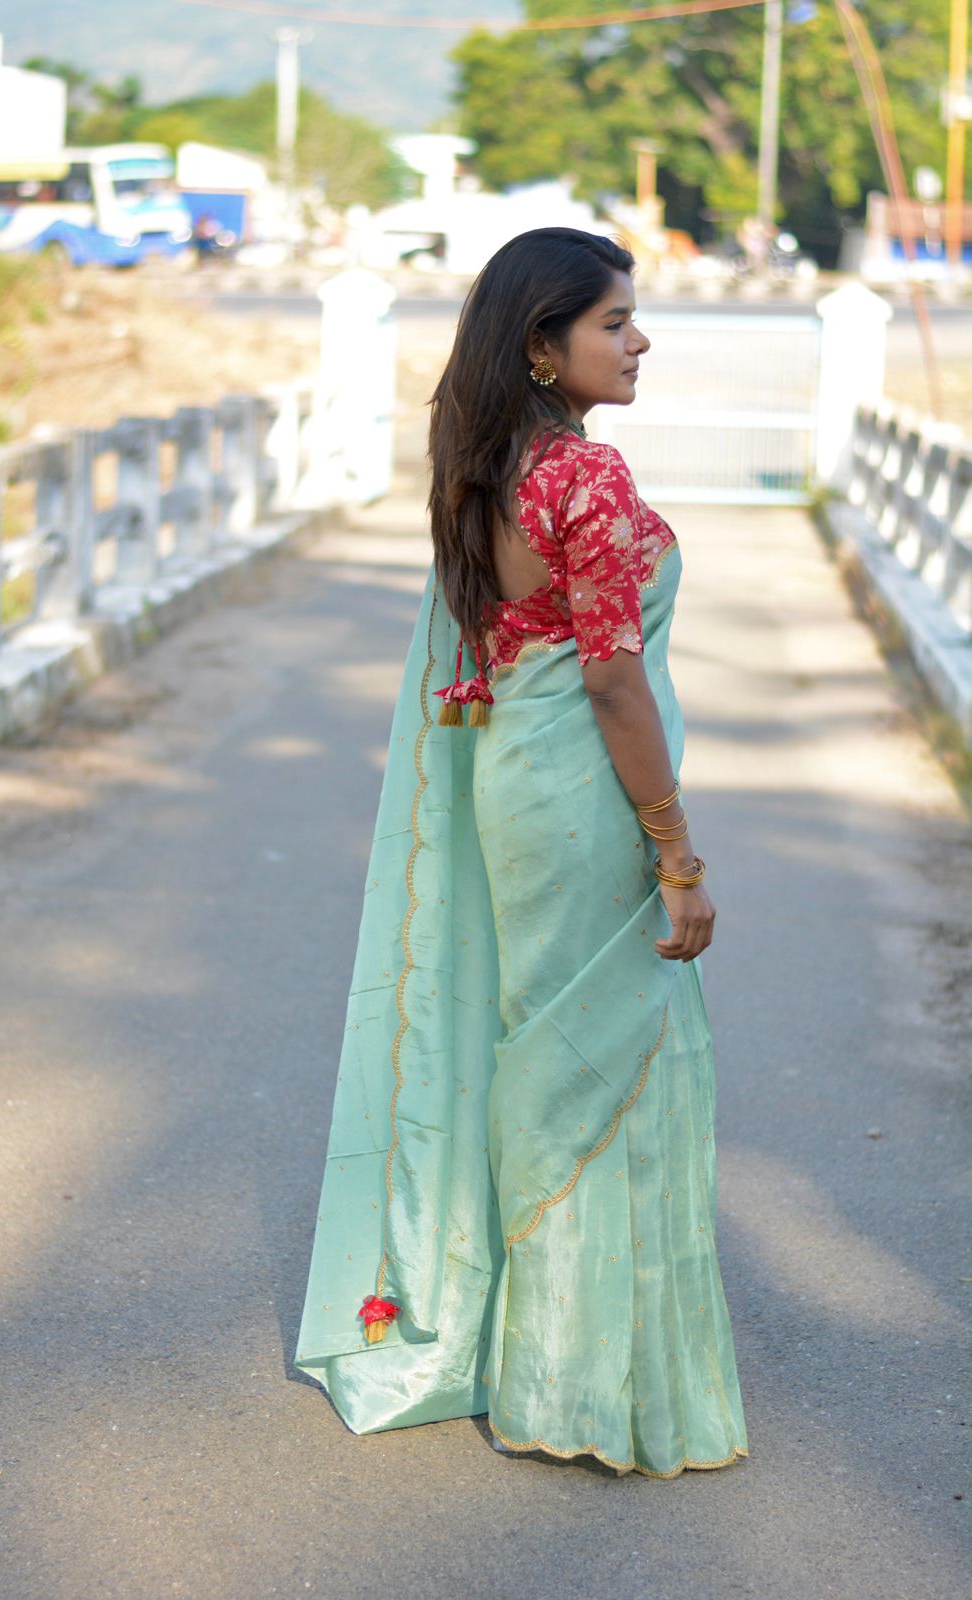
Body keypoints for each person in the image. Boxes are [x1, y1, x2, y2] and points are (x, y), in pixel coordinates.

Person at [294, 226, 749, 1479]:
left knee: (540, 1053)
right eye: (615, 321)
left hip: (513, 781)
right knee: (608, 1062)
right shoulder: (587, 484)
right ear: (544, 346)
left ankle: (537, 1365)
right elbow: (612, 684)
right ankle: (584, 1386)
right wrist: (678, 855)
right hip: (583, 796)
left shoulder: (491, 460)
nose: (639, 338)